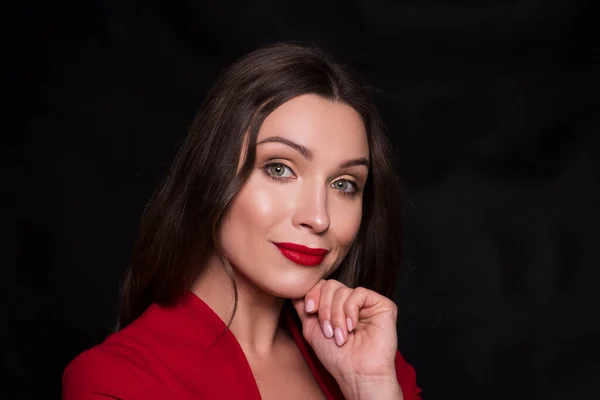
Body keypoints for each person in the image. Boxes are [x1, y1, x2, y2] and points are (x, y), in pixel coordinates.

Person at [62, 42, 421, 400]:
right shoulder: (117, 380)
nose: (317, 217)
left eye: (344, 185)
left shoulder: (376, 365)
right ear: (211, 175)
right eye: (279, 169)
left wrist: (371, 388)